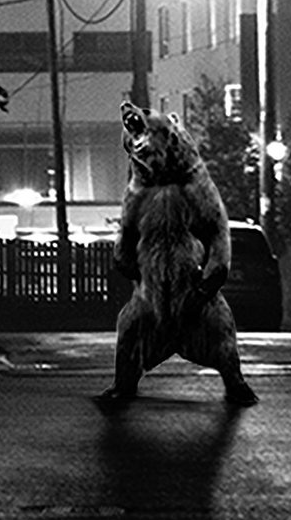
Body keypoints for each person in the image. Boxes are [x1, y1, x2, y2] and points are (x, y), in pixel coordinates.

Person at [101, 100, 260, 408]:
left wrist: (214, 273)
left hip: (196, 295)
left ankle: (235, 381)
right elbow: (127, 233)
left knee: (220, 329)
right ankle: (124, 383)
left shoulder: (196, 183)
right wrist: (124, 259)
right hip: (150, 296)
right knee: (130, 327)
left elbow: (217, 233)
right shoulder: (138, 189)